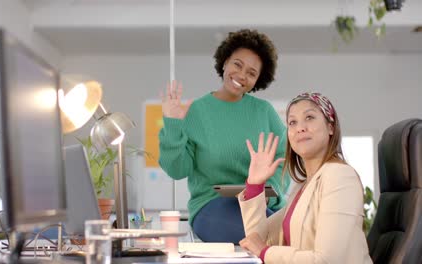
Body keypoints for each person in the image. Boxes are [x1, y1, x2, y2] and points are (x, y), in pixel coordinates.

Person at [158, 29, 290, 243]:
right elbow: (176, 169)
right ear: (225, 62)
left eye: (251, 73)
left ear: (258, 80)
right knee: (265, 239)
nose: (241, 75)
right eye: (237, 64)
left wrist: (270, 191)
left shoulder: (264, 112)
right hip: (211, 206)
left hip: (257, 202)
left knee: (287, 237)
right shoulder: (197, 111)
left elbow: (285, 157)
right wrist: (173, 125)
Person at [238, 92, 372, 263]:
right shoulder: (302, 187)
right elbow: (258, 240)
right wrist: (255, 185)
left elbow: (327, 260)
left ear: (331, 127)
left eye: (309, 117)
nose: (300, 127)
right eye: (292, 122)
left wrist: (265, 252)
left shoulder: (340, 176)